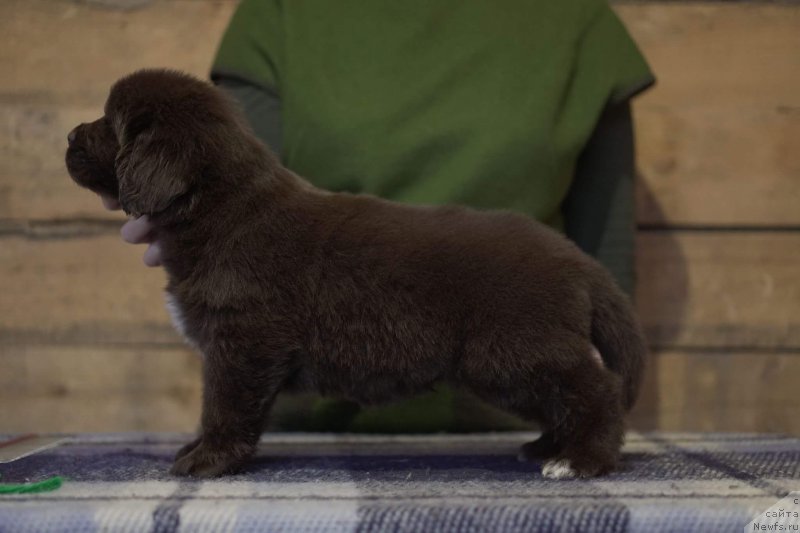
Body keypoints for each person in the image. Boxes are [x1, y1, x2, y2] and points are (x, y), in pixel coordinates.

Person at [102, 0, 653, 432]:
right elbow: (235, 189)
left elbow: (605, 253)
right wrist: (169, 201)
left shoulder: (577, 22)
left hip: (510, 421)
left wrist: (591, 409)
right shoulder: (281, 13)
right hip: (314, 424)